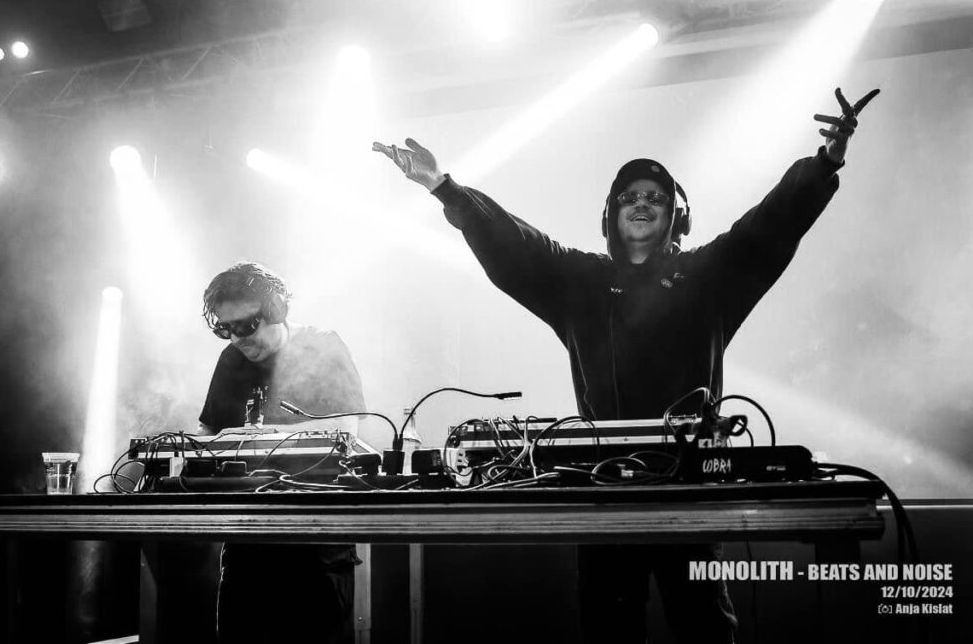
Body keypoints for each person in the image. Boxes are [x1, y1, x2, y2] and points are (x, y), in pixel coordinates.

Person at [374, 87, 879, 643]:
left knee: (705, 628)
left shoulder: (708, 278)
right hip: (603, 487)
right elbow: (513, 243)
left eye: (656, 197)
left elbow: (770, 226)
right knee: (609, 630)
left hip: (689, 487)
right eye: (630, 196)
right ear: (611, 214)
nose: (642, 203)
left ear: (675, 216)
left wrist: (824, 163)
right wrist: (443, 186)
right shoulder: (581, 282)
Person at [199, 261, 365, 644]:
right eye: (224, 329)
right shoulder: (231, 359)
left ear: (276, 309)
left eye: (245, 326)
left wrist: (260, 436)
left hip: (316, 538)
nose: (236, 338)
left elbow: (344, 433)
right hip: (247, 537)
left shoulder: (323, 346)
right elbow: (208, 436)